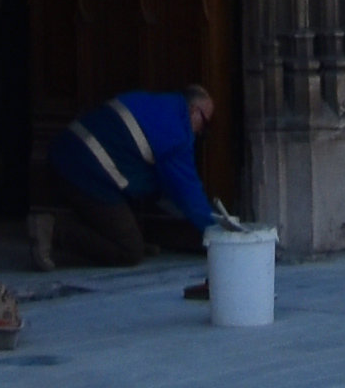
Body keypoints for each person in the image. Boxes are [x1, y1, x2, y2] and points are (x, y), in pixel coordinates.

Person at [32, 82, 224, 268]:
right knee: (129, 252)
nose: (201, 133)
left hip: (64, 154)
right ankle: (54, 229)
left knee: (149, 185)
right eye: (205, 123)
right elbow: (189, 194)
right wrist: (219, 235)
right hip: (86, 173)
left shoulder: (151, 102)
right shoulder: (177, 134)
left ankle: (129, 234)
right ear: (193, 110)